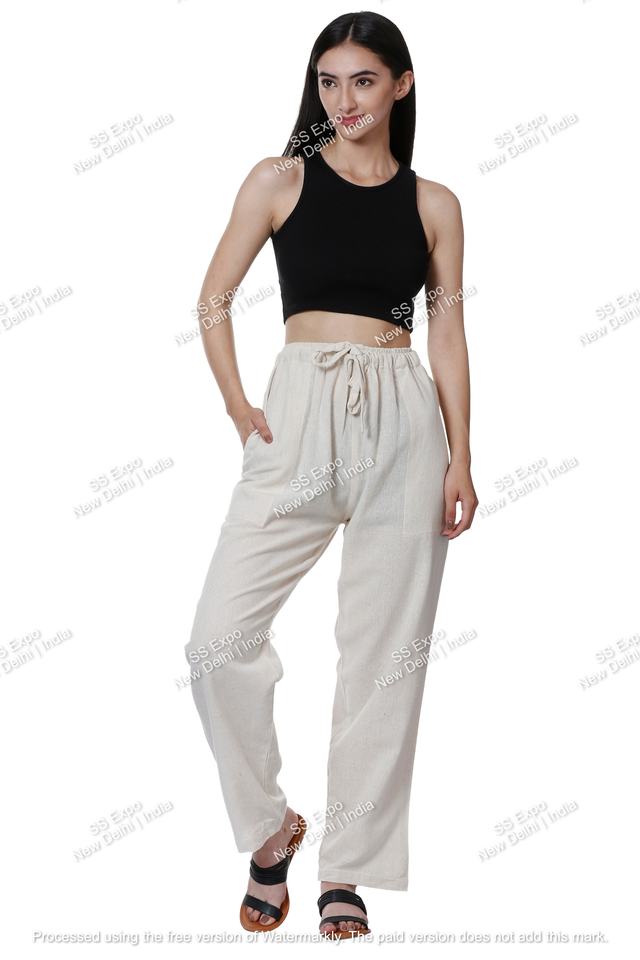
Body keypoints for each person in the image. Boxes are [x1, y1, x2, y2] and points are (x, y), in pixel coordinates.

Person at [184, 9, 478, 940]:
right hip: (299, 411)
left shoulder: (435, 203)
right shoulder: (279, 180)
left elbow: (448, 332)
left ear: (401, 85)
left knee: (384, 657)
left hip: (404, 421)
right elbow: (213, 299)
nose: (343, 100)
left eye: (362, 80)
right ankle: (270, 829)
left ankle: (346, 867)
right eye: (327, 81)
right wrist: (238, 404)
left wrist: (462, 454)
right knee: (217, 641)